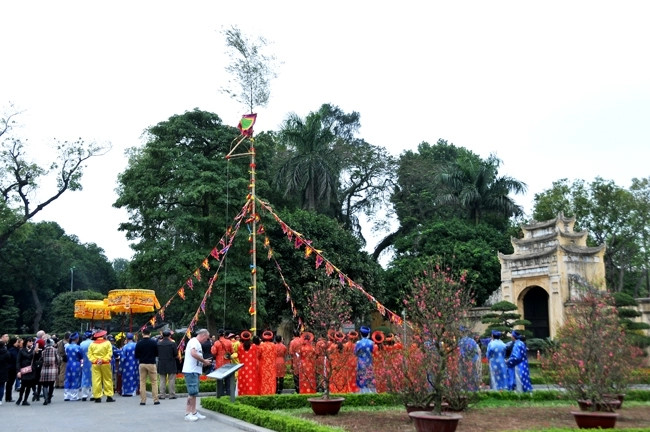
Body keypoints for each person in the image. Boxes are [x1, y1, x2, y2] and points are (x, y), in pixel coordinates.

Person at [182, 328, 211, 422]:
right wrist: (203, 361)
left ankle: (194, 411)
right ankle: (187, 413)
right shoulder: (194, 341)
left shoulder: (196, 343)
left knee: (194, 392)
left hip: (195, 370)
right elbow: (193, 353)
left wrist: (203, 362)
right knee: (191, 392)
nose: (206, 340)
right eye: (206, 338)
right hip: (191, 371)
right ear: (203, 335)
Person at [87, 330, 115, 403]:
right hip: (105, 363)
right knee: (107, 379)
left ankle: (97, 397)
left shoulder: (92, 344)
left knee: (96, 380)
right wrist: (103, 360)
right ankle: (109, 396)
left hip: (95, 364)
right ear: (103, 336)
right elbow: (109, 353)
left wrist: (96, 360)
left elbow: (89, 355)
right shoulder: (107, 343)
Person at [134, 327, 159, 405]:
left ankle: (143, 400)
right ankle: (155, 400)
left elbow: (136, 355)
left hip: (142, 363)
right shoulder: (154, 342)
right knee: (154, 382)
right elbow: (157, 353)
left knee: (142, 382)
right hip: (151, 363)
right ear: (150, 334)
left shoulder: (139, 343)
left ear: (142, 334)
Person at [210, 329, 233, 397]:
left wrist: (212, 347)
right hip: (227, 363)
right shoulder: (229, 342)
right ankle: (228, 393)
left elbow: (213, 352)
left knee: (220, 380)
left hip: (219, 363)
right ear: (224, 334)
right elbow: (232, 351)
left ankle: (220, 393)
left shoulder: (216, 343)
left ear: (218, 334)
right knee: (228, 379)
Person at [237, 330, 260, 395]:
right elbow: (257, 356)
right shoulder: (254, 346)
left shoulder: (240, 347)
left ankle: (242, 394)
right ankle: (252, 393)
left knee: (243, 382)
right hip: (252, 368)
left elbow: (239, 357)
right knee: (252, 381)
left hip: (243, 368)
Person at [15, 337, 37, 405]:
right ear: (26, 343)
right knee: (23, 386)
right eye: (29, 341)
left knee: (29, 386)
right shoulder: (22, 350)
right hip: (24, 370)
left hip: (31, 370)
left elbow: (38, 359)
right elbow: (18, 361)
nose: (31, 343)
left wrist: (36, 352)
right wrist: (18, 371)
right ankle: (20, 397)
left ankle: (25, 400)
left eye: (31, 341)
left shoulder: (34, 350)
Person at [354, 326, 376, 393]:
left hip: (361, 363)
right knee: (369, 377)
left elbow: (355, 353)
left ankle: (361, 392)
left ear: (360, 333)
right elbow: (373, 352)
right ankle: (370, 392)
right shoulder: (372, 343)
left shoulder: (358, 343)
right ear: (368, 334)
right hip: (369, 362)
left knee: (361, 377)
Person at [157, 330, 178, 399]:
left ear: (162, 336)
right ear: (170, 336)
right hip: (171, 362)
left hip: (161, 363)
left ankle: (162, 394)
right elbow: (175, 354)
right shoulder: (172, 343)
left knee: (162, 380)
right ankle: (171, 394)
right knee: (171, 379)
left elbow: (156, 353)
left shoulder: (159, 344)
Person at [64, 332, 83, 401]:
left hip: (68, 364)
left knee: (68, 378)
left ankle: (66, 395)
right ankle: (74, 396)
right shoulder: (78, 347)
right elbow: (81, 356)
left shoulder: (67, 347)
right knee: (75, 379)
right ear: (77, 339)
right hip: (76, 364)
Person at [39, 338, 59, 405]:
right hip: (52, 369)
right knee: (51, 384)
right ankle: (49, 398)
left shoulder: (43, 351)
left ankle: (45, 398)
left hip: (44, 369)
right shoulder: (55, 350)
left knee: (45, 385)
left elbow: (41, 360)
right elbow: (58, 359)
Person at [259, 330, 276, 395]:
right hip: (271, 366)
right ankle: (271, 393)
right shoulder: (273, 345)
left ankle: (263, 393)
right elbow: (275, 354)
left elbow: (258, 355)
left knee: (264, 380)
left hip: (263, 366)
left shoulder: (261, 345)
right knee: (271, 380)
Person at [5, 336, 19, 403]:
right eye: (17, 342)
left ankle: (8, 397)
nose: (18, 343)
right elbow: (15, 359)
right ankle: (8, 397)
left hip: (10, 367)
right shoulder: (13, 350)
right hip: (12, 368)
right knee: (10, 383)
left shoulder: (11, 349)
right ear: (14, 343)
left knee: (9, 383)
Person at [79, 331, 93, 400]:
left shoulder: (82, 344)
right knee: (93, 378)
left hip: (84, 362)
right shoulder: (93, 343)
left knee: (85, 377)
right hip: (92, 362)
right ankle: (93, 394)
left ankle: (84, 394)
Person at [0, 340, 9, 405]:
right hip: (4, 370)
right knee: (2, 385)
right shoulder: (6, 352)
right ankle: (0, 399)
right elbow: (9, 359)